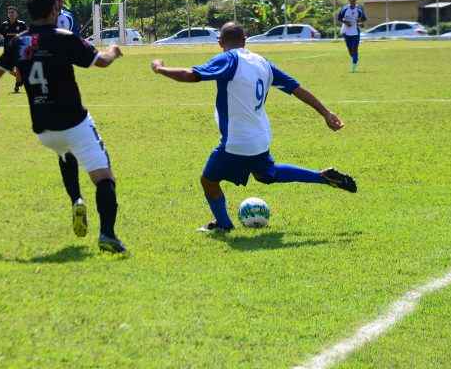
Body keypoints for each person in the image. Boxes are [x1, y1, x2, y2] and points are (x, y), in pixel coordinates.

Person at [151, 22, 357, 233]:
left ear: (220, 42)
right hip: (260, 138)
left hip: (236, 142)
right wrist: (326, 113)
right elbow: (297, 89)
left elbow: (190, 75)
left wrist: (159, 68)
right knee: (266, 174)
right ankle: (321, 177)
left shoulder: (229, 59)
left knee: (209, 181)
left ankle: (223, 224)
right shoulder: (263, 62)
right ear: (245, 40)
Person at [0, 0, 127, 253]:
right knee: (104, 178)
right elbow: (102, 62)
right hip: (74, 122)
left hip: (44, 130)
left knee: (64, 152)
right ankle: (107, 234)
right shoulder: (65, 38)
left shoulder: (18, 42)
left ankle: (76, 199)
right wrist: (114, 50)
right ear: (53, 12)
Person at [0, 6, 28, 93]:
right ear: (7, 14)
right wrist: (0, 38)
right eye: (9, 13)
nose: (11, 14)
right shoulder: (4, 25)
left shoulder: (22, 24)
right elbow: (0, 36)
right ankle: (22, 80)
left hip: (19, 51)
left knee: (18, 68)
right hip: (8, 52)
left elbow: (26, 36)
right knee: (9, 70)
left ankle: (17, 86)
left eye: (13, 12)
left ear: (16, 14)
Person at [338, 0, 367, 73]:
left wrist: (360, 23)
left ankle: (353, 67)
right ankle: (355, 58)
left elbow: (363, 20)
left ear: (356, 0)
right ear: (349, 0)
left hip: (355, 33)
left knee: (355, 49)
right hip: (346, 32)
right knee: (350, 51)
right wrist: (346, 22)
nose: (353, 0)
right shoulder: (344, 9)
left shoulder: (359, 9)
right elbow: (339, 18)